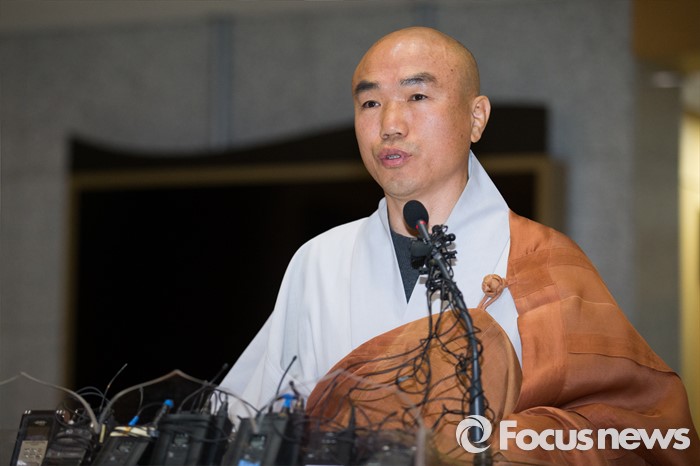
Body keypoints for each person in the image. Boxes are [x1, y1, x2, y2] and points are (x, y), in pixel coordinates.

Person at [217, 27, 699, 464]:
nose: (390, 124)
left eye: (417, 95)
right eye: (370, 103)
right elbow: (245, 422)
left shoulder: (539, 261)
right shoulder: (320, 260)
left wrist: (496, 448)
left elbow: (645, 432)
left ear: (476, 117)